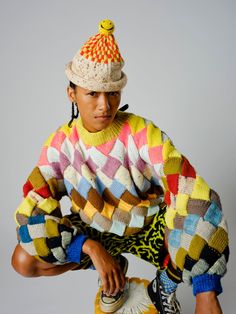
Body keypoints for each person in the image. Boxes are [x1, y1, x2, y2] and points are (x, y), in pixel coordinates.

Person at [11, 19, 229, 314]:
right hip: (95, 231)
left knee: (191, 214)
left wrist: (206, 288)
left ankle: (166, 281)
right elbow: (32, 210)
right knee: (23, 260)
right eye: (93, 94)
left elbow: (190, 187)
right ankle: (114, 269)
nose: (105, 105)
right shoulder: (59, 145)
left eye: (112, 93)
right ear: (71, 93)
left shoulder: (142, 133)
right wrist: (88, 247)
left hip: (149, 228)